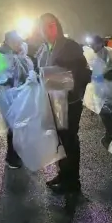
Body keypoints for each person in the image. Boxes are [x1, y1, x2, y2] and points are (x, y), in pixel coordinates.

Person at [36, 13, 92, 194]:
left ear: (58, 26)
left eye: (51, 25)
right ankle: (63, 173)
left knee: (70, 140)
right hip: (52, 101)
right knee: (58, 139)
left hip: (69, 102)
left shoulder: (70, 46)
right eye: (43, 26)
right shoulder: (44, 49)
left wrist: (55, 77)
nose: (47, 29)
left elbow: (84, 73)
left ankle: (73, 181)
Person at [0, 30, 34, 169]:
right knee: (14, 127)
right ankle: (12, 157)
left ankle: (18, 153)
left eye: (20, 41)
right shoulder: (0, 56)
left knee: (21, 126)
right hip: (7, 97)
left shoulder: (19, 54)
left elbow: (26, 70)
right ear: (8, 41)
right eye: (16, 42)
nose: (19, 44)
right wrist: (8, 80)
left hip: (20, 95)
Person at [87, 35, 112, 147]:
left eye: (95, 44)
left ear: (101, 43)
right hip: (99, 90)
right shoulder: (93, 55)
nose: (92, 46)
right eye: (91, 44)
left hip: (111, 89)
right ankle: (109, 134)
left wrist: (103, 76)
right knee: (104, 114)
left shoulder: (108, 54)